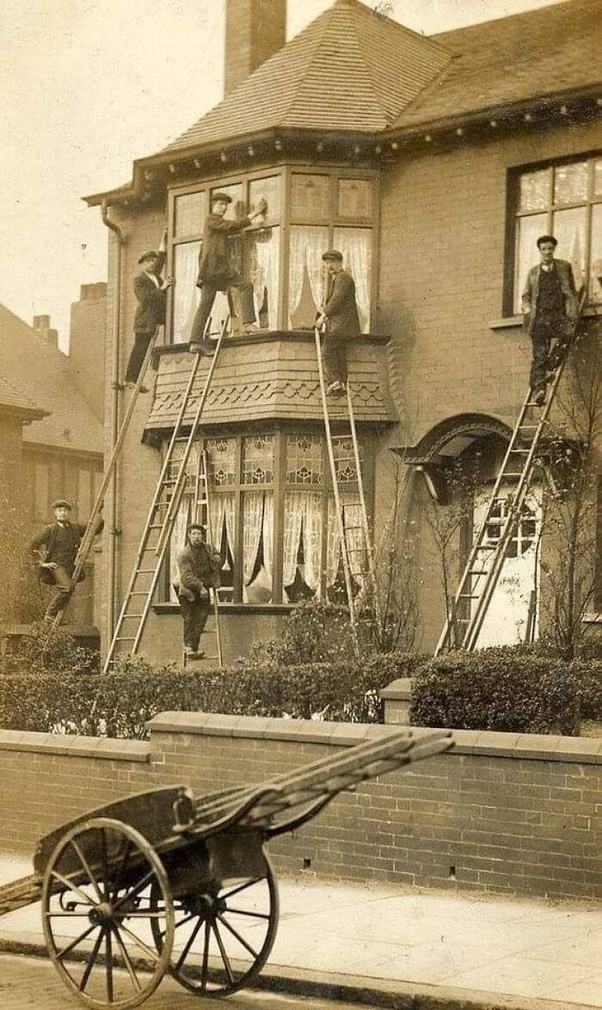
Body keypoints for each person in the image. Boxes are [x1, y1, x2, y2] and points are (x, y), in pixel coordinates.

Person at [189, 192, 268, 354]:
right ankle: (248, 324)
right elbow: (231, 226)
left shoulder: (215, 224)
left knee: (205, 304)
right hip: (216, 267)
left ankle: (195, 342)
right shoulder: (212, 219)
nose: (223, 208)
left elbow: (228, 231)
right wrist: (254, 214)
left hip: (212, 268)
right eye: (220, 204)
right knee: (246, 285)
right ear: (213, 206)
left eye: (225, 205)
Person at [521, 234, 578, 406]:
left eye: (550, 248)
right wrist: (528, 310)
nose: (547, 252)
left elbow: (572, 290)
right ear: (540, 251)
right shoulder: (533, 273)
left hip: (557, 316)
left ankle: (550, 366)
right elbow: (526, 296)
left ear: (554, 250)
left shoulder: (563, 267)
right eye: (544, 249)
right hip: (539, 319)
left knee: (569, 334)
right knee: (539, 354)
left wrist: (572, 310)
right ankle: (539, 391)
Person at [30, 500, 104, 622]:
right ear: (55, 513)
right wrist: (42, 563)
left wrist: (100, 513)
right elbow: (33, 544)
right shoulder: (50, 530)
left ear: (68, 513)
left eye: (65, 510)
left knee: (68, 591)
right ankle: (50, 613)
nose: (62, 513)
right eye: (59, 510)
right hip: (57, 566)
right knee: (67, 588)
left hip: (71, 565)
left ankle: (60, 617)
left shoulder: (74, 528)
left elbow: (94, 529)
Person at [125, 240, 173, 387]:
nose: (152, 263)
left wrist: (164, 238)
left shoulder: (154, 275)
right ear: (143, 264)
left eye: (153, 260)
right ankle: (131, 379)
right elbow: (145, 298)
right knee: (140, 349)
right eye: (149, 261)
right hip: (145, 320)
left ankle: (138, 376)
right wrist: (163, 288)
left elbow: (161, 257)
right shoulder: (139, 279)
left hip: (156, 316)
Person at [316, 250, 361, 396]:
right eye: (327, 263)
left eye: (331, 262)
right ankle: (341, 382)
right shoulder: (339, 279)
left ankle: (334, 381)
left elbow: (337, 299)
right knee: (339, 353)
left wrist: (323, 316)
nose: (329, 266)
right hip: (343, 326)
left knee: (327, 351)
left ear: (339, 262)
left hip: (341, 325)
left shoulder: (343, 278)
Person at [175, 524, 222, 659]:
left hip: (204, 590)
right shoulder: (185, 554)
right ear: (189, 535)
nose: (197, 537)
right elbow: (186, 577)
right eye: (194, 534)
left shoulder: (207, 548)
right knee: (190, 619)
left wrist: (217, 558)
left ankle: (193, 649)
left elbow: (216, 554)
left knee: (201, 619)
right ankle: (189, 647)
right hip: (189, 592)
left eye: (199, 534)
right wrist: (200, 587)